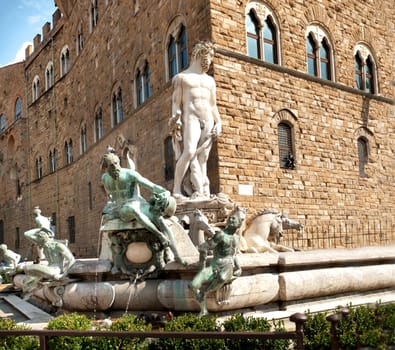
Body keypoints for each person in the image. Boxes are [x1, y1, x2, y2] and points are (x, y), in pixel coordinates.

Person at [101, 150, 186, 264]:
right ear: (106, 167)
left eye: (117, 163)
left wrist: (165, 193)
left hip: (137, 203)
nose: (116, 167)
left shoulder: (129, 174)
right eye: (112, 165)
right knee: (132, 210)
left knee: (159, 219)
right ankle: (160, 236)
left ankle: (177, 255)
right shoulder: (105, 178)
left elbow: (151, 186)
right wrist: (110, 207)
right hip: (122, 209)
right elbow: (110, 196)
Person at [169, 40, 222, 199]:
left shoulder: (210, 81)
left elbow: (213, 105)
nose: (210, 60)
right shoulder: (182, 78)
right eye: (209, 56)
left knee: (203, 158)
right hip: (190, 117)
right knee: (190, 151)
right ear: (200, 54)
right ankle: (177, 189)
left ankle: (201, 191)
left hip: (208, 119)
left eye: (212, 56)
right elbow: (176, 103)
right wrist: (176, 119)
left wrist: (219, 122)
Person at [189, 206, 246, 315]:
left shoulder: (237, 239)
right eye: (231, 218)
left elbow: (233, 255)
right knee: (192, 285)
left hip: (228, 266)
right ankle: (204, 309)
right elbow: (207, 246)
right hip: (214, 266)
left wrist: (238, 267)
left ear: (239, 224)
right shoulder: (220, 235)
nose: (231, 220)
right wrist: (202, 261)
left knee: (222, 277)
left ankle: (204, 294)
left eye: (234, 219)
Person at [23, 229, 75, 295]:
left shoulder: (58, 245)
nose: (40, 236)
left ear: (48, 235)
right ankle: (31, 288)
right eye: (39, 236)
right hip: (48, 268)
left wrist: (63, 275)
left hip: (56, 270)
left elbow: (71, 259)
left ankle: (31, 287)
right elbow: (27, 234)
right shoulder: (43, 244)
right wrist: (41, 228)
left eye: (42, 234)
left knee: (27, 268)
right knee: (27, 269)